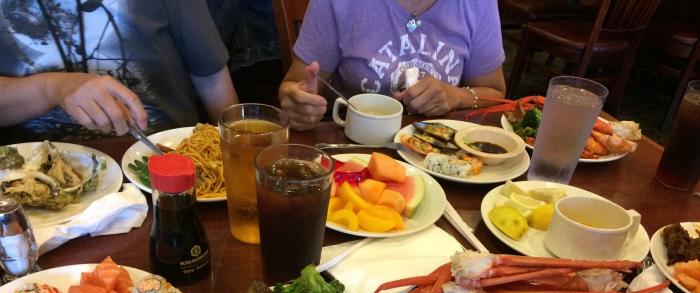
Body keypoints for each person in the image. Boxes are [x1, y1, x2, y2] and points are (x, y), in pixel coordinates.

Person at [0, 0, 238, 141]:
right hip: (32, 174)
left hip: (164, 158)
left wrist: (237, 152)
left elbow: (213, 82)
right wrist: (52, 88)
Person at [278, 0, 507, 130]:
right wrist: (298, 103)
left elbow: (495, 92)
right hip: (357, 149)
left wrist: (456, 96)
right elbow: (294, 84)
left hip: (441, 153)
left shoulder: (478, 4)